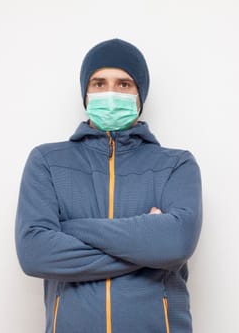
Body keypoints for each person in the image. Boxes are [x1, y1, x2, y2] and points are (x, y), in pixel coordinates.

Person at [15, 38, 203, 333]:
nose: (111, 93)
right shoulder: (47, 162)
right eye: (99, 83)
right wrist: (145, 250)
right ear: (86, 92)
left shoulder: (176, 165)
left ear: (140, 93)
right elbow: (34, 252)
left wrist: (71, 228)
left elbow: (175, 243)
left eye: (124, 84)